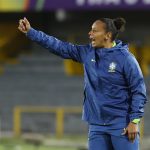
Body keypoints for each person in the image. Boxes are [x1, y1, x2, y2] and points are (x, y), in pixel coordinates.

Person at [18, 17, 147, 150]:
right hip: (96, 126)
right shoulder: (87, 53)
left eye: (94, 31)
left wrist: (134, 121)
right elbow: (59, 46)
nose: (89, 34)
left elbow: (139, 91)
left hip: (122, 125)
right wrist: (31, 32)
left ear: (107, 35)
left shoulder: (126, 59)